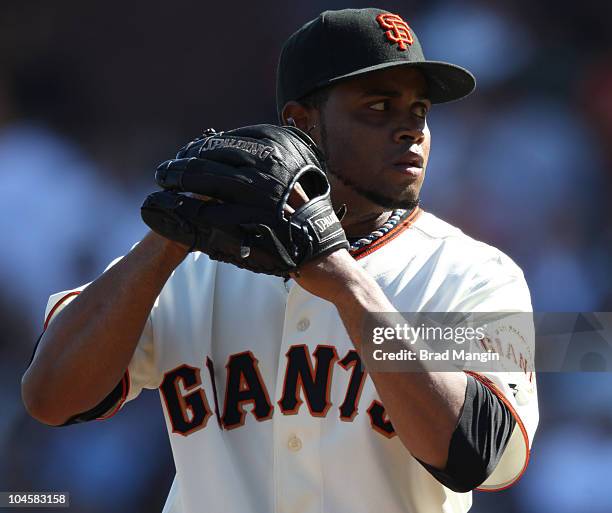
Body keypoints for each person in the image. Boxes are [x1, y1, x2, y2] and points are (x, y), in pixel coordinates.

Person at [22, 8, 538, 513]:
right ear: (301, 122)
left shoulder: (473, 275)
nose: (410, 130)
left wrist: (345, 282)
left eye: (419, 111)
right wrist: (167, 241)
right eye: (380, 107)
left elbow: (475, 452)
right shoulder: (193, 266)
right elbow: (50, 396)